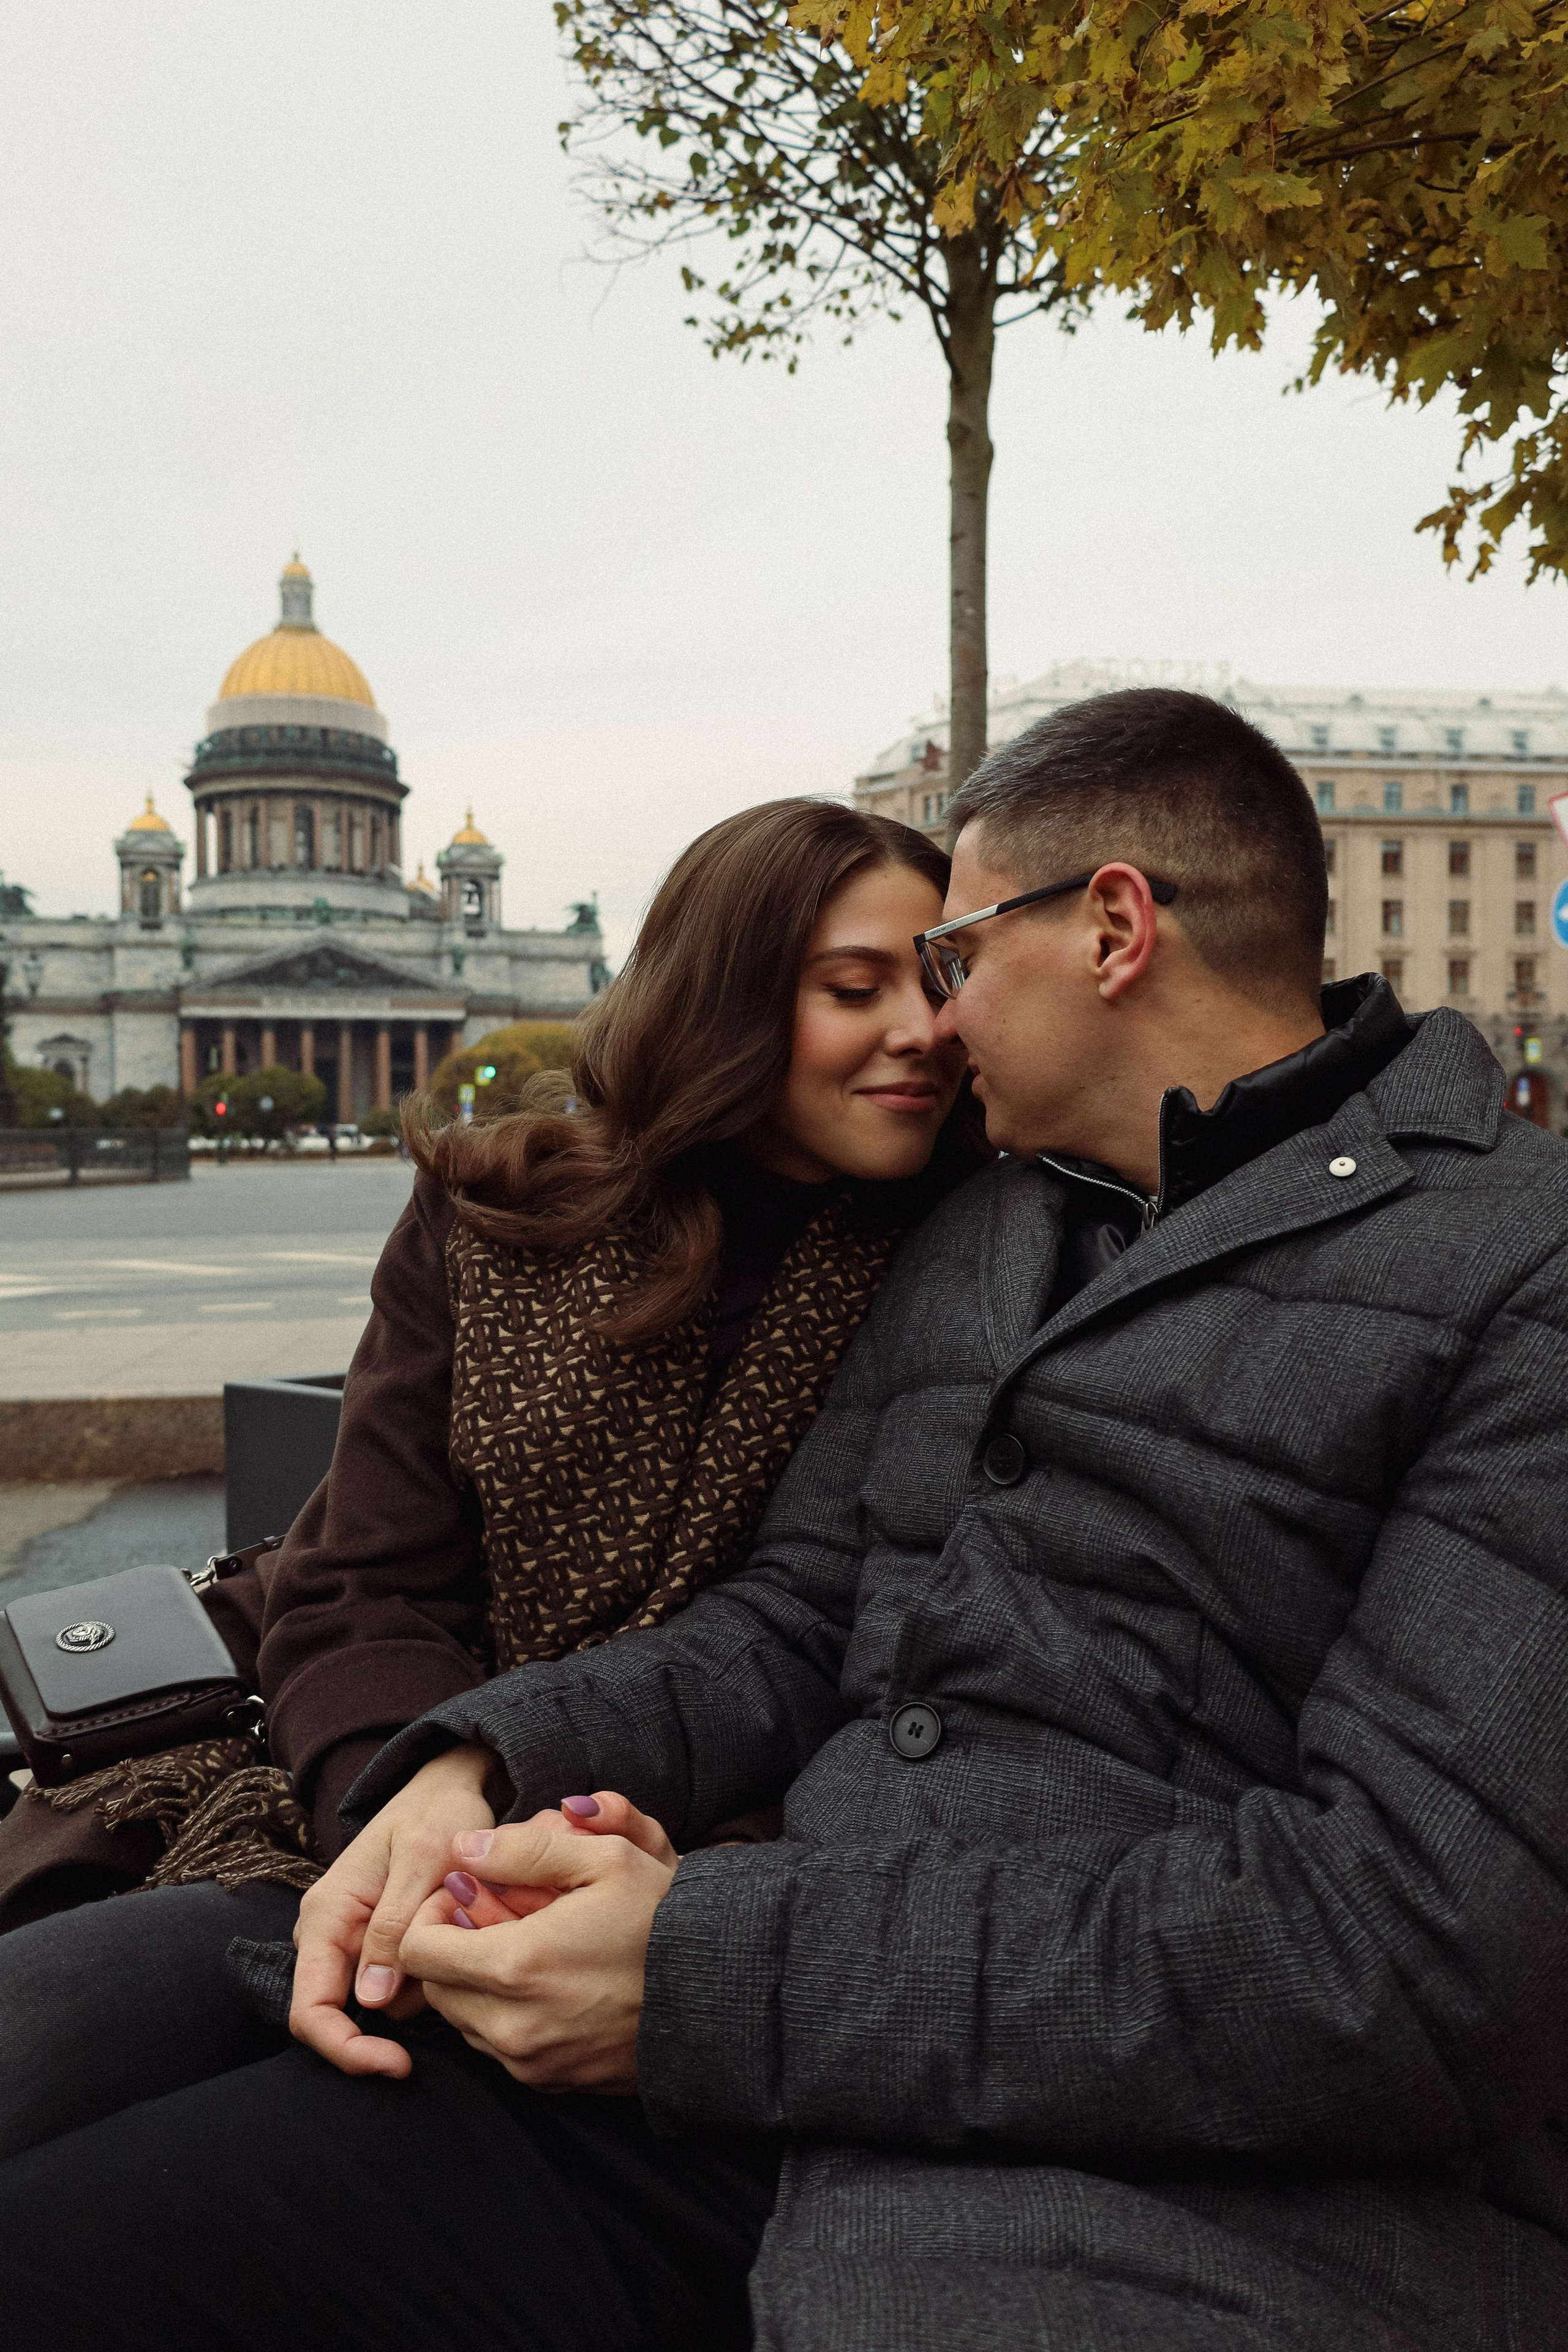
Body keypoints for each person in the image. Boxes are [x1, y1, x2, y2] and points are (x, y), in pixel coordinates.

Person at [6, 685, 1567, 2352]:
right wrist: (471, 1768)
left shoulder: (1513, 1265)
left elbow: (1404, 1956)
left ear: (1112, 930)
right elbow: (804, 1616)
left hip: (1076, 2163)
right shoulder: (1007, 1218)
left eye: (952, 958)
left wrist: (703, 1968)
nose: (934, 1025)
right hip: (738, 2032)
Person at [0, 796, 973, 2158]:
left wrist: (620, 1892)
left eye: (944, 979)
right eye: (852, 987)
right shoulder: (495, 1214)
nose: (922, 1028)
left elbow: (853, 1655)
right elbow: (357, 1580)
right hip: (357, 1788)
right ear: (726, 998)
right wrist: (418, 1819)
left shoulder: (978, 1265)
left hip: (672, 1878)